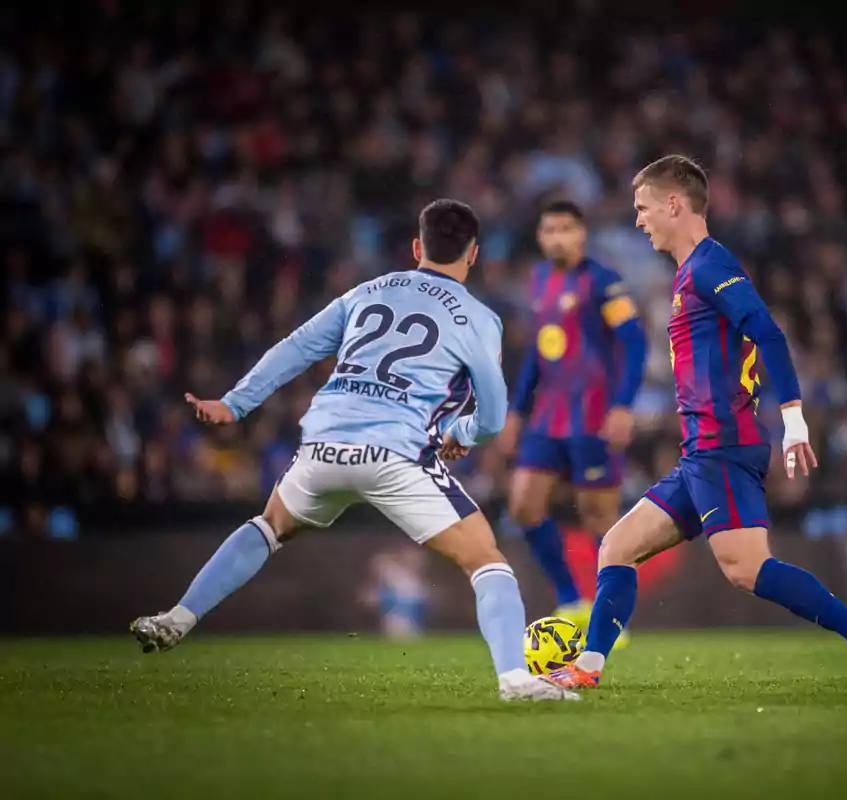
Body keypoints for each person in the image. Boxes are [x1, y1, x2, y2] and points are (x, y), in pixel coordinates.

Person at [130, 199, 577, 702]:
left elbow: (297, 346)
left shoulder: (368, 291)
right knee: (487, 561)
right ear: (473, 254)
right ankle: (516, 680)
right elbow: (494, 416)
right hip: (396, 455)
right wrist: (464, 433)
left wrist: (236, 404)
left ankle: (176, 617)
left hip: (322, 445)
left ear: (416, 247)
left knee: (269, 526)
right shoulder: (478, 318)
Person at [546, 156, 847, 693]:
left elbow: (770, 334)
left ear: (674, 204)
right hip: (699, 452)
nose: (639, 221)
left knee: (745, 568)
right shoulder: (689, 273)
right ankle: (588, 668)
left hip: (723, 447)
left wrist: (793, 420)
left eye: (644, 209)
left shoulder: (711, 265)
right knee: (617, 547)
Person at [498, 200, 647, 631]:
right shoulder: (540, 279)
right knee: (523, 505)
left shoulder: (605, 283)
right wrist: (516, 411)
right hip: (548, 418)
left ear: (581, 234)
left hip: (594, 417)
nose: (558, 236)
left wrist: (622, 405)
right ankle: (570, 599)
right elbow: (537, 353)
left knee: (601, 520)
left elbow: (635, 345)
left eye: (566, 228)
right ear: (541, 237)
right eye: (550, 229)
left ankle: (611, 618)